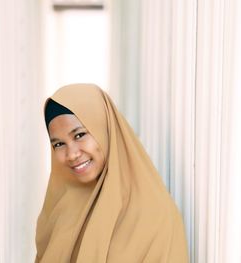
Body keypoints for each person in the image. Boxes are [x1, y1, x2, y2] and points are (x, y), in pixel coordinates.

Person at [35, 84, 189, 262]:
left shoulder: (156, 216)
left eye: (79, 135)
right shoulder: (60, 211)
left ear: (105, 129)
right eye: (59, 144)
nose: (72, 154)